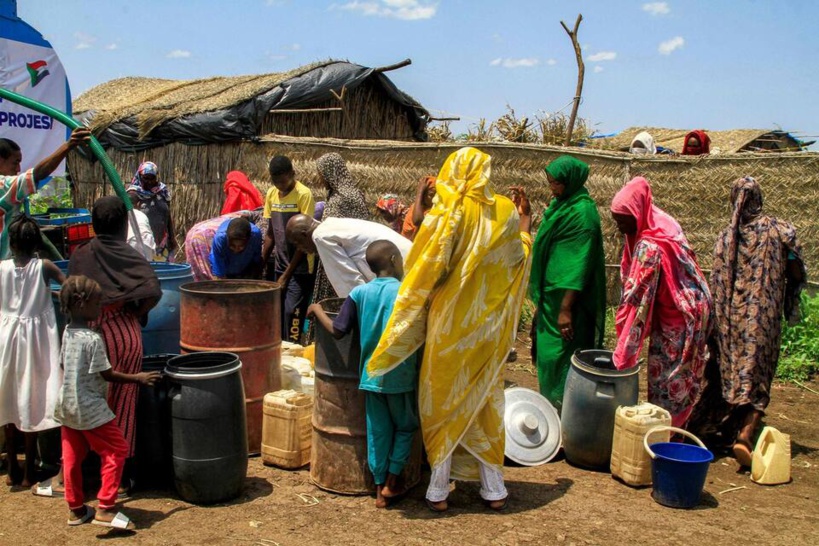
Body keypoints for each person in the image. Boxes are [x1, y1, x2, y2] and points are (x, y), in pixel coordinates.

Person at [367, 147, 533, 512]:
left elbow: (424, 266)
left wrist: (405, 315)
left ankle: (438, 491)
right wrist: (525, 229)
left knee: (440, 400)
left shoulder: (448, 211)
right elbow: (516, 261)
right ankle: (494, 491)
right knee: (486, 399)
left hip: (450, 325)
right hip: (488, 327)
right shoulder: (505, 211)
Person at [308, 240, 419, 509]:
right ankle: (394, 481)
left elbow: (337, 331)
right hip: (401, 375)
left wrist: (316, 310)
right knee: (406, 427)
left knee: (377, 431)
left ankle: (379, 490)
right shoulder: (408, 292)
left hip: (371, 377)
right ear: (394, 259)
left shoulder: (359, 294)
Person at [708, 177, 806, 466]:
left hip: (731, 321)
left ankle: (728, 429)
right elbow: (797, 268)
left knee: (734, 369)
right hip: (763, 318)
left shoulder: (727, 237)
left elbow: (716, 281)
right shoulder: (779, 230)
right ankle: (745, 434)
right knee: (759, 373)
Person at [68, 196, 161, 492]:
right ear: (123, 227)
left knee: (86, 399)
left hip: (84, 334)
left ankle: (87, 470)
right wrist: (135, 313)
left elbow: (70, 292)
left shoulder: (81, 254)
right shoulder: (129, 254)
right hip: (123, 333)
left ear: (94, 225)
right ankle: (119, 477)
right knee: (122, 403)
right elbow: (153, 290)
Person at [55, 275, 160, 529]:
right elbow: (108, 374)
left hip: (67, 406)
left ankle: (76, 509)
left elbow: (62, 364)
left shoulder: (68, 332)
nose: (100, 308)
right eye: (96, 304)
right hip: (92, 409)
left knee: (72, 457)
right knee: (116, 450)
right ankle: (105, 507)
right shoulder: (93, 339)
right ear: (81, 304)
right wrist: (138, 377)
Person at [610, 177, 712, 428]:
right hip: (692, 305)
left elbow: (637, 302)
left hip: (680, 314)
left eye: (624, 222)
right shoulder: (661, 223)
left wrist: (622, 356)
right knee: (680, 372)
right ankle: (677, 426)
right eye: (616, 222)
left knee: (669, 376)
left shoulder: (650, 245)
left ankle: (669, 434)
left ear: (637, 212)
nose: (620, 229)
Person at [529, 156, 606, 411]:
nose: (553, 188)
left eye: (557, 183)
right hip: (551, 299)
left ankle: (566, 414)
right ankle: (551, 409)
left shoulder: (583, 214)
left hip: (569, 304)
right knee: (546, 358)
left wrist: (565, 309)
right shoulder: (562, 206)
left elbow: (579, 265)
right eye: (550, 182)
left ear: (571, 181)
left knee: (562, 358)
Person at [0, 216, 65, 487]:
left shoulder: (1, 268)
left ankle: (14, 464)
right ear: (37, 242)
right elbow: (69, 286)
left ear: (11, 244)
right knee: (31, 396)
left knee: (8, 396)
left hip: (6, 337)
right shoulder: (45, 266)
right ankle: (29, 473)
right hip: (36, 341)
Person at [0, 128, 91, 260]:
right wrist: (68, 145)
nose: (18, 169)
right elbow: (37, 174)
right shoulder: (4, 185)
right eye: (15, 162)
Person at [286, 215, 411, 298]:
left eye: (298, 243)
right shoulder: (331, 225)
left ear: (304, 235)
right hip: (408, 259)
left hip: (402, 269)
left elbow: (347, 279)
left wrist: (355, 312)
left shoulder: (320, 237)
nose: (300, 249)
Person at [261, 156, 316, 343]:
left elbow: (304, 239)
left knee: (292, 311)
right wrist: (262, 262)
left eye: (283, 181)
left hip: (299, 266)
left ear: (292, 174)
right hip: (280, 264)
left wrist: (287, 275)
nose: (280, 186)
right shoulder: (271, 194)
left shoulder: (304, 194)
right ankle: (281, 353)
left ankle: (293, 350)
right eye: (276, 182)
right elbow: (270, 233)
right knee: (277, 311)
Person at [311, 152, 369, 305]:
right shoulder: (343, 194)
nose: (321, 178)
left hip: (343, 259)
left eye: (322, 174)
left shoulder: (343, 199)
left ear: (331, 172)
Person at [184, 210, 265, 281]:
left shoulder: (255, 236)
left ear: (248, 241)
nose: (236, 250)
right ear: (227, 240)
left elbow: (256, 260)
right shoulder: (220, 239)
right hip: (227, 265)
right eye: (232, 246)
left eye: (240, 246)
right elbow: (218, 273)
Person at [127, 161, 177, 259]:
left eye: (152, 178)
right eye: (146, 178)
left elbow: (167, 216)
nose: (149, 181)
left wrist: (172, 237)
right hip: (143, 244)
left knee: (164, 273)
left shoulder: (162, 192)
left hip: (162, 244)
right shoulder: (133, 194)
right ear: (140, 176)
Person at [401, 176, 436, 241]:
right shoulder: (416, 208)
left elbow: (419, 221)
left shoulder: (435, 210)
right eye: (431, 195)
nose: (434, 199)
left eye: (436, 195)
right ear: (423, 194)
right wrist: (420, 191)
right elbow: (417, 220)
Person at [126, 191, 156, 261]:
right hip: (147, 242)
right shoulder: (142, 215)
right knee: (146, 268)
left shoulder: (124, 214)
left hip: (131, 241)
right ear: (138, 204)